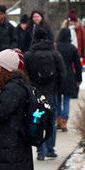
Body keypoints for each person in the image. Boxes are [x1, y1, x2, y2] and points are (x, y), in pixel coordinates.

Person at [23, 26, 64, 160]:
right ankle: (50, 148)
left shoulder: (29, 55)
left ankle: (40, 150)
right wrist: (57, 86)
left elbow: (25, 74)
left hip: (36, 92)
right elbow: (62, 72)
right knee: (51, 119)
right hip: (51, 91)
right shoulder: (54, 54)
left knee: (37, 118)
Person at [53, 25, 83, 132]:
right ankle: (64, 121)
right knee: (66, 100)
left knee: (56, 100)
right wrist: (79, 78)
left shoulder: (55, 47)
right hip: (69, 76)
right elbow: (78, 65)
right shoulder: (72, 48)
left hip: (57, 76)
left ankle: (57, 120)